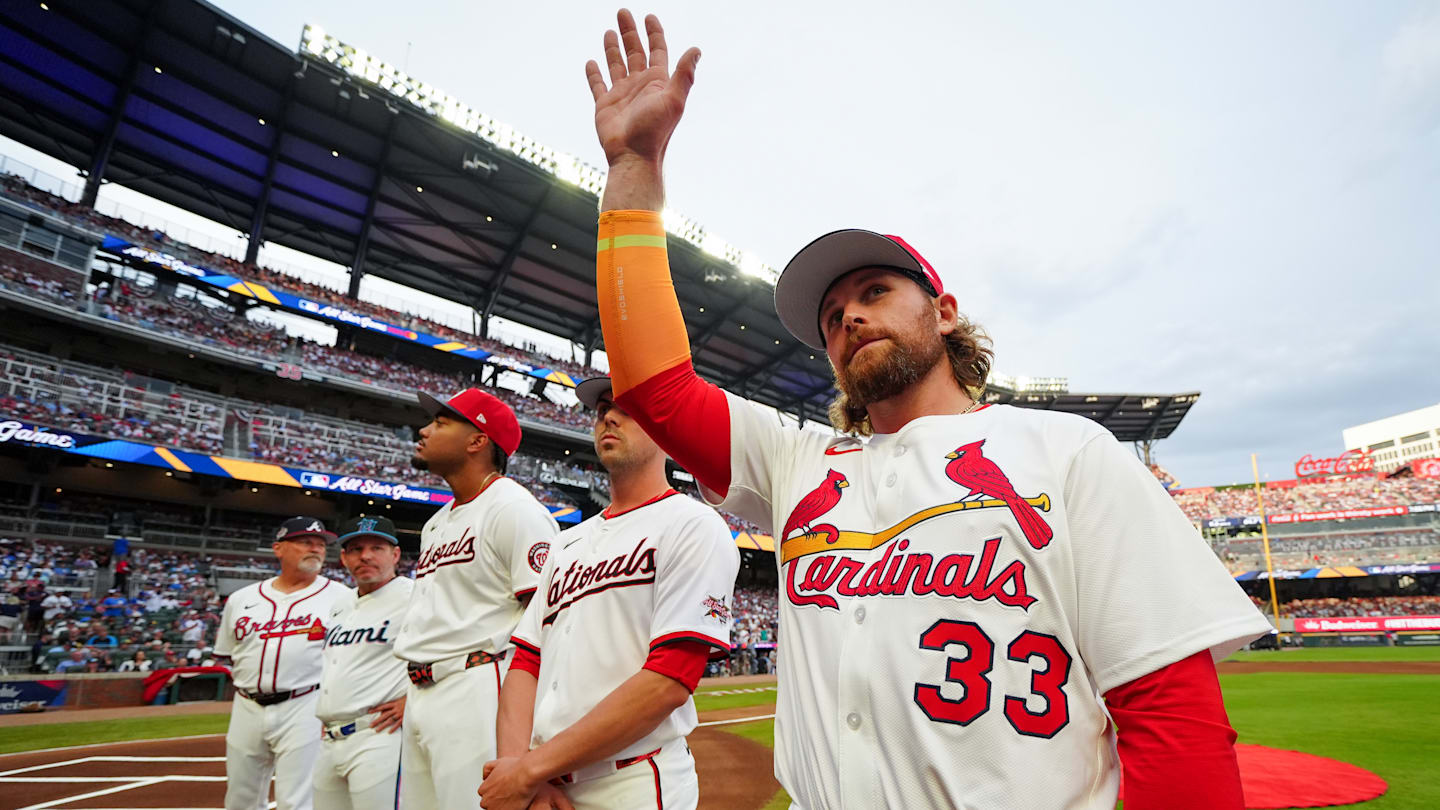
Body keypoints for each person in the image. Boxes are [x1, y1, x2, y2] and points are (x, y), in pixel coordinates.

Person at [580, 11, 1272, 809]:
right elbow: (655, 388)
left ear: (943, 311)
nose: (849, 318)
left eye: (874, 293)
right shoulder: (797, 461)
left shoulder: (1067, 451)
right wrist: (636, 170)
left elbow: (1169, 712)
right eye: (832, 316)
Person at [480, 379, 739, 810]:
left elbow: (670, 679)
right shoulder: (566, 543)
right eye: (601, 409)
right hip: (545, 784)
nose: (608, 417)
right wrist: (520, 771)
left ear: (664, 430)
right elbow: (527, 660)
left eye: (628, 408)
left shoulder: (693, 524)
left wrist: (527, 771)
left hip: (631, 780)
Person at [394, 389, 559, 810]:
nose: (425, 429)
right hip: (421, 690)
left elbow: (548, 624)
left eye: (441, 422)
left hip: (479, 684)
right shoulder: (435, 523)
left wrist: (536, 746)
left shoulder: (515, 510)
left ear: (477, 440)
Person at [214, 516, 349, 810]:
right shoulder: (241, 599)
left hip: (305, 704)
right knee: (239, 798)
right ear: (279, 548)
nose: (315, 549)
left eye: (320, 544)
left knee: (296, 800)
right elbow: (229, 652)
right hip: (246, 705)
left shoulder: (342, 598)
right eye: (305, 542)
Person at [312, 515, 413, 810]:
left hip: (380, 735)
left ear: (395, 555)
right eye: (355, 549)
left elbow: (453, 652)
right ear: (344, 558)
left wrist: (413, 701)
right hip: (330, 738)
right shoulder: (341, 604)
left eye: (376, 548)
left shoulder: (415, 597)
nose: (365, 556)